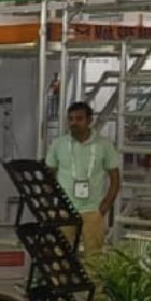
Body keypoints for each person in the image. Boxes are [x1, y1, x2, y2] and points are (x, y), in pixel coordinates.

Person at [45, 101, 120, 257]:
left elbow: (115, 178)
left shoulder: (104, 144)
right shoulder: (59, 144)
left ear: (89, 120)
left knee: (94, 256)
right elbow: (48, 176)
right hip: (65, 208)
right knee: (59, 253)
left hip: (93, 208)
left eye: (79, 119)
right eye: (70, 119)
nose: (74, 123)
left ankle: (92, 276)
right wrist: (51, 204)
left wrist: (106, 204)